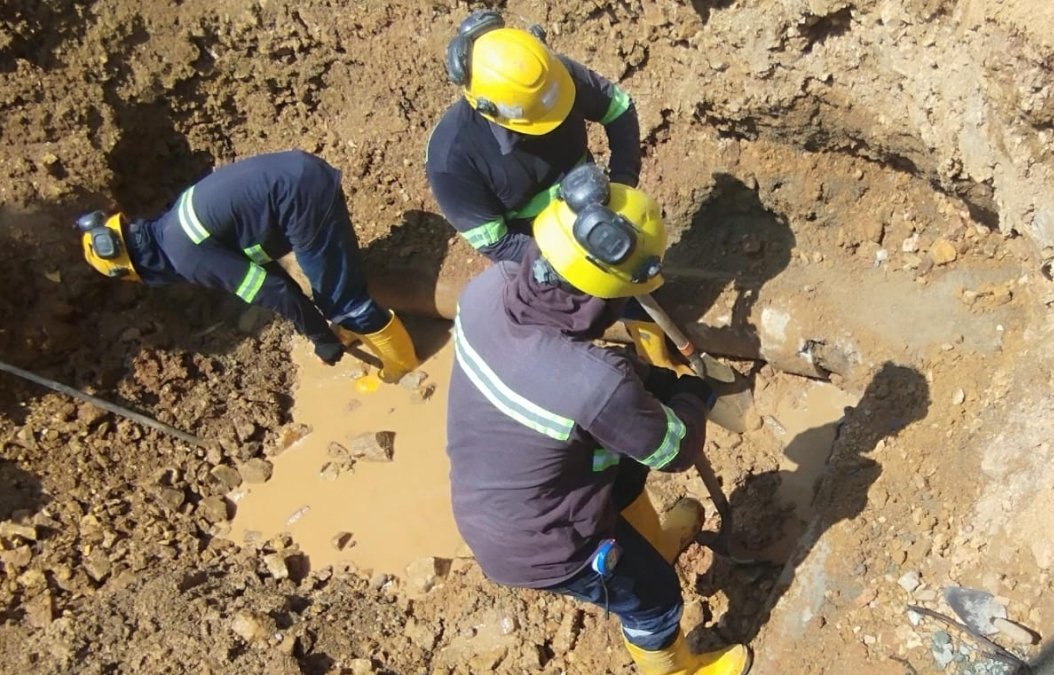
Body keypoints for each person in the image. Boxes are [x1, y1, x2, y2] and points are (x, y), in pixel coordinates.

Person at [444, 164, 751, 675]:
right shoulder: (594, 385)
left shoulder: (485, 292)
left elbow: (571, 374)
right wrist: (691, 396)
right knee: (652, 598)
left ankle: (651, 544)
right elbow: (675, 450)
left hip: (500, 496)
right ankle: (677, 670)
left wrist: (644, 382)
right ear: (601, 300)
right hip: (545, 541)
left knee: (621, 466)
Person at [426, 9, 689, 375]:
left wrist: (623, 181)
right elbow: (496, 243)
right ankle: (586, 381)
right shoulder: (452, 160)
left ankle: (656, 359)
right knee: (565, 313)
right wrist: (568, 264)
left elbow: (619, 111)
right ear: (489, 109)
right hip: (531, 243)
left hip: (591, 200)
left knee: (631, 280)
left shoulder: (554, 79)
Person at [74, 149, 417, 391]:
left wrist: (321, 339)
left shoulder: (185, 257)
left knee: (341, 300)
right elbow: (268, 273)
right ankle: (359, 327)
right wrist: (319, 330)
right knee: (330, 288)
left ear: (137, 269)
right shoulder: (170, 228)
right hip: (298, 177)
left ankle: (402, 365)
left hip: (300, 197)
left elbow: (275, 291)